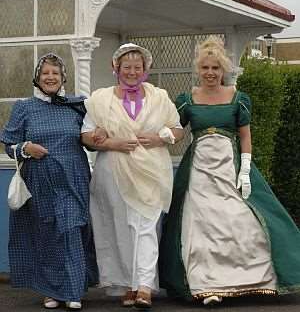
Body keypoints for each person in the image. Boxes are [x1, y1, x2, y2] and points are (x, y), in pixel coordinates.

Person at [159, 37, 300, 305]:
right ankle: (206, 284)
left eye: (215, 68)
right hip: (199, 172)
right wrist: (165, 133)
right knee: (199, 225)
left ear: (223, 70)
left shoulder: (238, 98)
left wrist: (245, 169)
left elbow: (245, 136)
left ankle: (253, 280)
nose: (210, 73)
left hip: (230, 166)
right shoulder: (187, 99)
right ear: (198, 70)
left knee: (240, 220)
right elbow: (178, 131)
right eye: (205, 68)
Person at [81, 43, 183, 309]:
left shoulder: (159, 97)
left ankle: (145, 287)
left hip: (150, 171)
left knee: (147, 227)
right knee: (119, 228)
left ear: (146, 69)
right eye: (127, 67)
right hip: (112, 172)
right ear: (115, 68)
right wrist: (106, 142)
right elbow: (87, 136)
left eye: (138, 67)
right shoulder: (100, 99)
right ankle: (128, 285)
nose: (132, 72)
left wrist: (160, 136)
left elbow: (177, 129)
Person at [0, 53, 97, 310]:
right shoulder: (24, 107)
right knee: (47, 234)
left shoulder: (78, 105)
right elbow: (9, 144)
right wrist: (26, 148)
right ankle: (51, 290)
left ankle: (74, 289)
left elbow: (90, 137)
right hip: (39, 180)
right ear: (37, 78)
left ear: (63, 77)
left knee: (72, 228)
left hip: (73, 178)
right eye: (45, 73)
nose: (50, 77)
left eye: (55, 73)